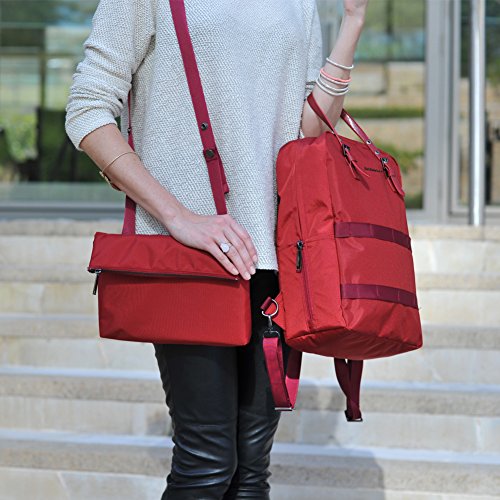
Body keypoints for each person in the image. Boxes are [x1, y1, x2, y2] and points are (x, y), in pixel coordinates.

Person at [65, 0, 369, 497]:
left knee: (251, 471)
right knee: (205, 464)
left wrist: (353, 22)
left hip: (278, 260)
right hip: (190, 260)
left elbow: (308, 132)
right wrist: (177, 216)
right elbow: (87, 109)